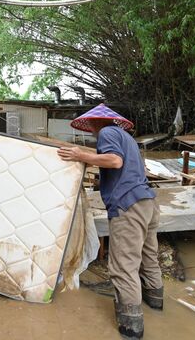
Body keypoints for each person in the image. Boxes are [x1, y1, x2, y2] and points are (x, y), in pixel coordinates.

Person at [57, 104, 162, 340]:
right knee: (148, 257)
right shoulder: (127, 138)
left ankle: (131, 328)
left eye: (91, 125)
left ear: (94, 122)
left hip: (128, 205)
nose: (92, 130)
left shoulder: (107, 133)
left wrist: (80, 156)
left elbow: (115, 162)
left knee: (124, 267)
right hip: (148, 202)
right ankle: (157, 304)